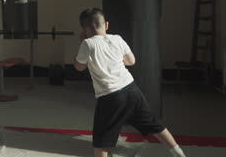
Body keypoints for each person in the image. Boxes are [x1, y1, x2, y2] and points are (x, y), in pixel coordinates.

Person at [74, 8, 186, 157]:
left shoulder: (88, 44)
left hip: (110, 96)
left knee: (102, 141)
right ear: (106, 25)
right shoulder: (117, 39)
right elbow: (131, 61)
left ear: (85, 29)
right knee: (154, 125)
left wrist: (83, 42)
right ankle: (179, 153)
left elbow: (79, 67)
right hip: (132, 90)